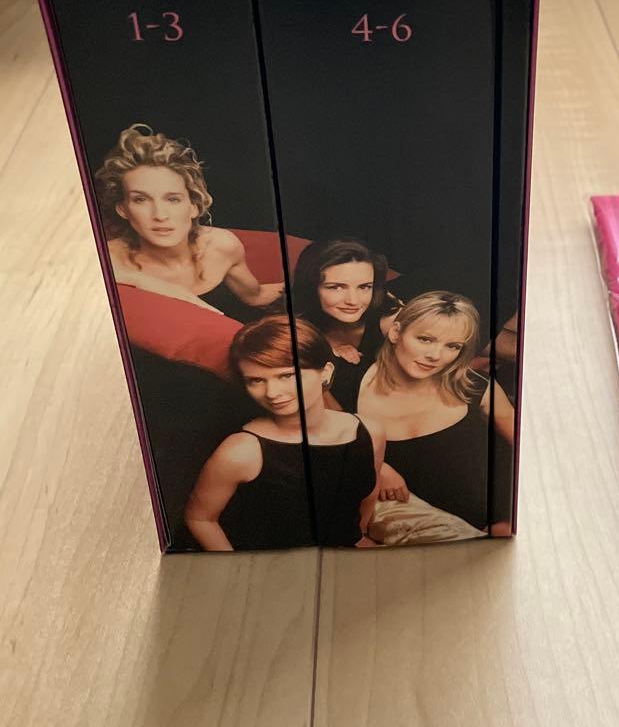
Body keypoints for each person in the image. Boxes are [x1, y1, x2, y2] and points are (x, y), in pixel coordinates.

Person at [185, 316, 384, 550]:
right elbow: (199, 518)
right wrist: (237, 568)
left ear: (325, 372)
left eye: (286, 375)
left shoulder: (370, 432)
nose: (271, 392)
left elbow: (368, 494)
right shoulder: (241, 450)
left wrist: (357, 538)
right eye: (256, 380)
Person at [358, 291, 515, 536]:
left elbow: (529, 450)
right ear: (396, 332)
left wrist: (515, 519)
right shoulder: (348, 384)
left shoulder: (475, 387)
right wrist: (378, 466)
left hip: (498, 524)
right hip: (420, 536)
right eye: (425, 339)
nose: (435, 356)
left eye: (453, 346)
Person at [94, 123, 283, 321]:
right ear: (122, 209)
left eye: (173, 199)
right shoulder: (105, 260)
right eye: (140, 199)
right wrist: (144, 282)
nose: (160, 215)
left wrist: (303, 283)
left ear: (194, 206)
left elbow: (255, 297)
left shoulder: (221, 246)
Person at [291, 238, 401, 410]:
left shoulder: (391, 320)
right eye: (336, 287)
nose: (353, 301)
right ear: (311, 287)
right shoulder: (296, 325)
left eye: (364, 287)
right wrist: (325, 349)